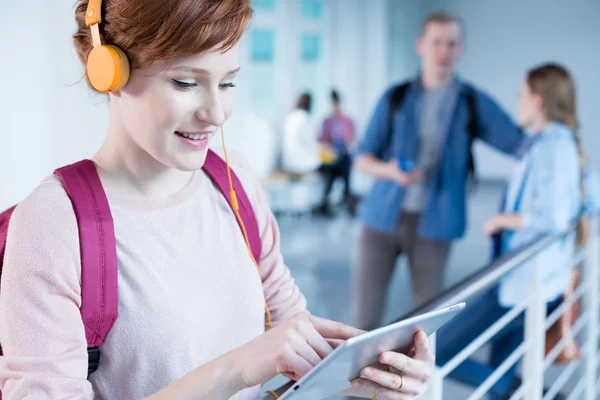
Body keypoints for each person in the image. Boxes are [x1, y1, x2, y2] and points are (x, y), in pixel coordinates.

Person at [0, 1, 435, 399]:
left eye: (227, 83)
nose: (217, 112)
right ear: (108, 72)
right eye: (186, 82)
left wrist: (370, 375)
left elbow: (291, 337)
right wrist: (236, 368)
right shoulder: (55, 223)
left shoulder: (233, 180)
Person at [352, 11, 526, 330]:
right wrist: (390, 171)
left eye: (451, 43)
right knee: (364, 317)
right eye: (436, 43)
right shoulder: (395, 98)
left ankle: (415, 381)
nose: (443, 51)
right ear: (421, 46)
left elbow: (520, 143)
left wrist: (558, 136)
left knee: (426, 323)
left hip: (435, 225)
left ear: (462, 49)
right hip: (381, 220)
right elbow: (362, 157)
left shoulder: (472, 102)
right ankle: (359, 380)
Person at [436, 63, 600, 399]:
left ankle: (532, 392)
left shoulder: (552, 147)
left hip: (525, 282)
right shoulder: (556, 142)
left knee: (436, 353)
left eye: (522, 95)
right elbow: (590, 200)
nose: (518, 101)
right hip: (531, 280)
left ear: (538, 101)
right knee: (500, 369)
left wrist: (503, 220)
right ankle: (521, 390)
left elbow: (553, 216)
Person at [314, 89, 357, 217]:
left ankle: (346, 197)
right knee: (332, 171)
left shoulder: (347, 120)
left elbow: (351, 138)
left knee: (346, 163)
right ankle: (329, 201)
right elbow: (322, 140)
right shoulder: (327, 121)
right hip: (331, 159)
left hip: (343, 157)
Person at [281, 93, 321, 176]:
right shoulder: (305, 118)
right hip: (303, 163)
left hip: (288, 162)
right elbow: (310, 143)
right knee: (334, 167)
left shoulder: (290, 117)